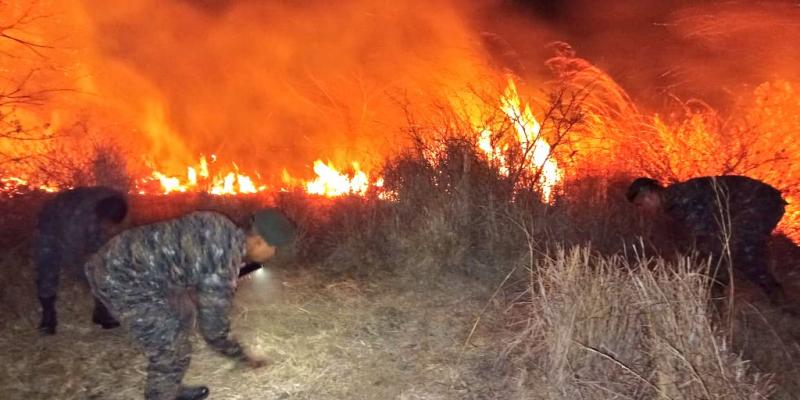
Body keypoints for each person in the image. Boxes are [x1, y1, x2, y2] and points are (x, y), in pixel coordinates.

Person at [84, 208, 295, 400]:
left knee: (183, 312)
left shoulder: (219, 223)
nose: (273, 255)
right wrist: (242, 356)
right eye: (274, 248)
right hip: (119, 277)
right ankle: (161, 395)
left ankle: (171, 387)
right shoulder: (222, 265)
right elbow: (213, 331)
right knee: (172, 348)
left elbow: (187, 260)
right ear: (259, 241)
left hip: (127, 261)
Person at [626, 175, 788, 304]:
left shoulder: (680, 199)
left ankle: (779, 297)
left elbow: (707, 235)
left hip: (761, 201)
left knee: (743, 250)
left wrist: (709, 275)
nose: (643, 210)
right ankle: (771, 291)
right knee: (731, 248)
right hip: (753, 204)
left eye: (641, 204)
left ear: (648, 194)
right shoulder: (674, 202)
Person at [33, 186, 128, 334]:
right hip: (53, 222)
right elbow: (73, 259)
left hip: (89, 218)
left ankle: (101, 312)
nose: (110, 228)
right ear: (101, 217)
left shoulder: (116, 200)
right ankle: (48, 316)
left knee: (102, 263)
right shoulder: (74, 223)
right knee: (48, 266)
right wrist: (88, 276)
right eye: (107, 224)